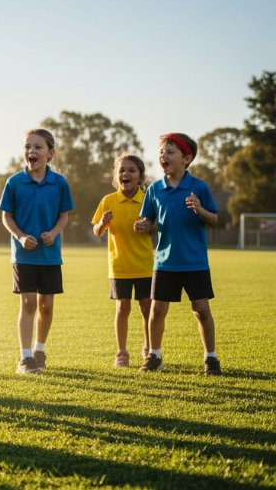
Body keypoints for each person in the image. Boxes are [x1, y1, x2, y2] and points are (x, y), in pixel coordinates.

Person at [134, 133, 221, 375]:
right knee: (158, 310)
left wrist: (200, 209)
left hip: (195, 262)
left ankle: (211, 359)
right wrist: (144, 226)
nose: (164, 156)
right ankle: (155, 356)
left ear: (186, 159)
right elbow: (149, 221)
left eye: (170, 152)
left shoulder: (199, 187)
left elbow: (215, 219)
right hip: (165, 262)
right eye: (162, 152)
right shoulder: (154, 189)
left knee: (201, 309)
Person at [0, 128, 74, 374]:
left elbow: (64, 216)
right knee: (29, 303)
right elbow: (6, 216)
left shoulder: (59, 183)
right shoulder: (15, 182)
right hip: (23, 255)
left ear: (50, 153)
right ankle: (25, 357)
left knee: (47, 306)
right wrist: (20, 237)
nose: (32, 151)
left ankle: (40, 349)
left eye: (38, 147)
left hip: (50, 255)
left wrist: (53, 233)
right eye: (27, 147)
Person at [91, 155, 153, 368]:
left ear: (140, 176)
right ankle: (122, 353)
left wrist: (148, 227)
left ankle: (149, 349)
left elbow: (159, 225)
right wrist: (102, 222)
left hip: (144, 263)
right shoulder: (108, 200)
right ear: (116, 177)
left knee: (147, 308)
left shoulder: (149, 199)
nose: (126, 174)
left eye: (131, 170)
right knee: (122, 308)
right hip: (119, 265)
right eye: (121, 171)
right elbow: (97, 231)